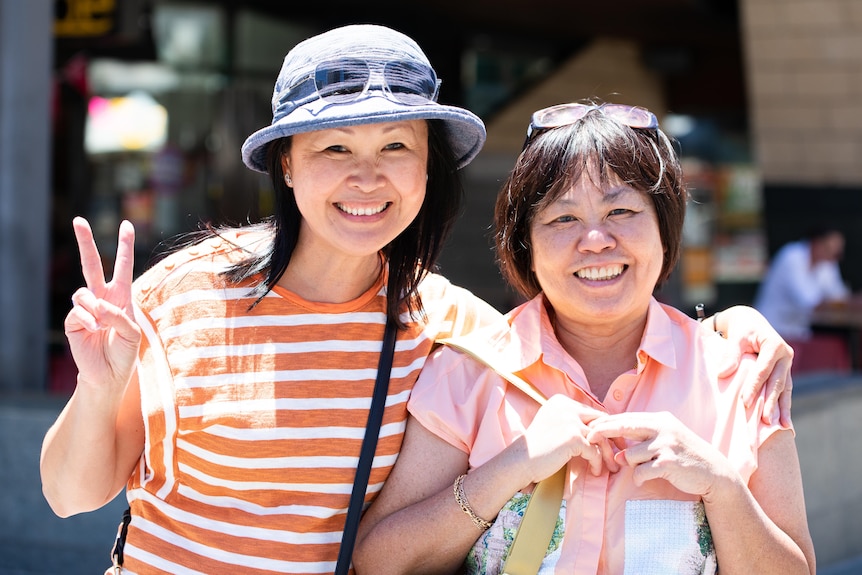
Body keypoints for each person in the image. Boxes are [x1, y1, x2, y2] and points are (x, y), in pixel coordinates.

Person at [39, 24, 792, 574]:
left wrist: (730, 328)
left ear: (427, 170)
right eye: (336, 148)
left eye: (395, 147)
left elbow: (583, 324)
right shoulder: (181, 294)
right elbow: (73, 495)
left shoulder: (447, 324)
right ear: (287, 166)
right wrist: (98, 390)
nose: (368, 179)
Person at [353, 101, 815, 575]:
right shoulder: (467, 372)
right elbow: (381, 563)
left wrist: (721, 486)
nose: (595, 239)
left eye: (621, 210)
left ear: (664, 230)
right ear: (525, 246)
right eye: (563, 218)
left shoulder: (741, 378)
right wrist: (508, 469)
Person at [754, 226, 857, 373]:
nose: (834, 256)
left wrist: (847, 302)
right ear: (816, 243)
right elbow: (811, 303)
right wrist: (849, 302)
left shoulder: (827, 262)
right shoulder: (792, 257)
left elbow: (838, 296)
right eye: (830, 249)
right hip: (774, 333)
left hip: (799, 334)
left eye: (837, 252)